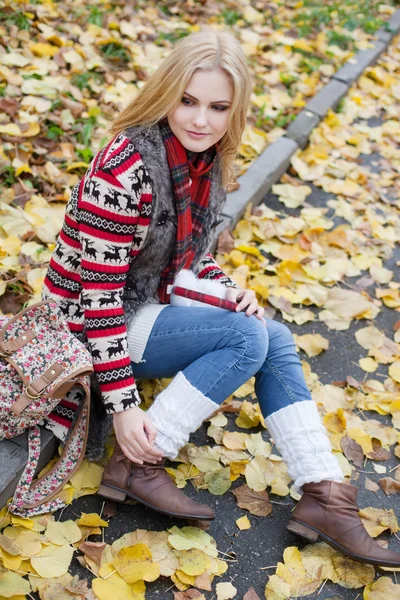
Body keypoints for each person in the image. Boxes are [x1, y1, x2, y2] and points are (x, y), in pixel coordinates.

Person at [42, 30, 400, 569]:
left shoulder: (205, 164)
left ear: (235, 112)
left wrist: (227, 290)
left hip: (141, 308)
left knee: (269, 333)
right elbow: (97, 296)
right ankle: (139, 462)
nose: (200, 120)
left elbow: (188, 259)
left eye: (217, 107)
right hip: (84, 324)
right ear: (166, 91)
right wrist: (122, 406)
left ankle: (325, 494)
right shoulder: (124, 166)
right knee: (245, 337)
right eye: (187, 100)